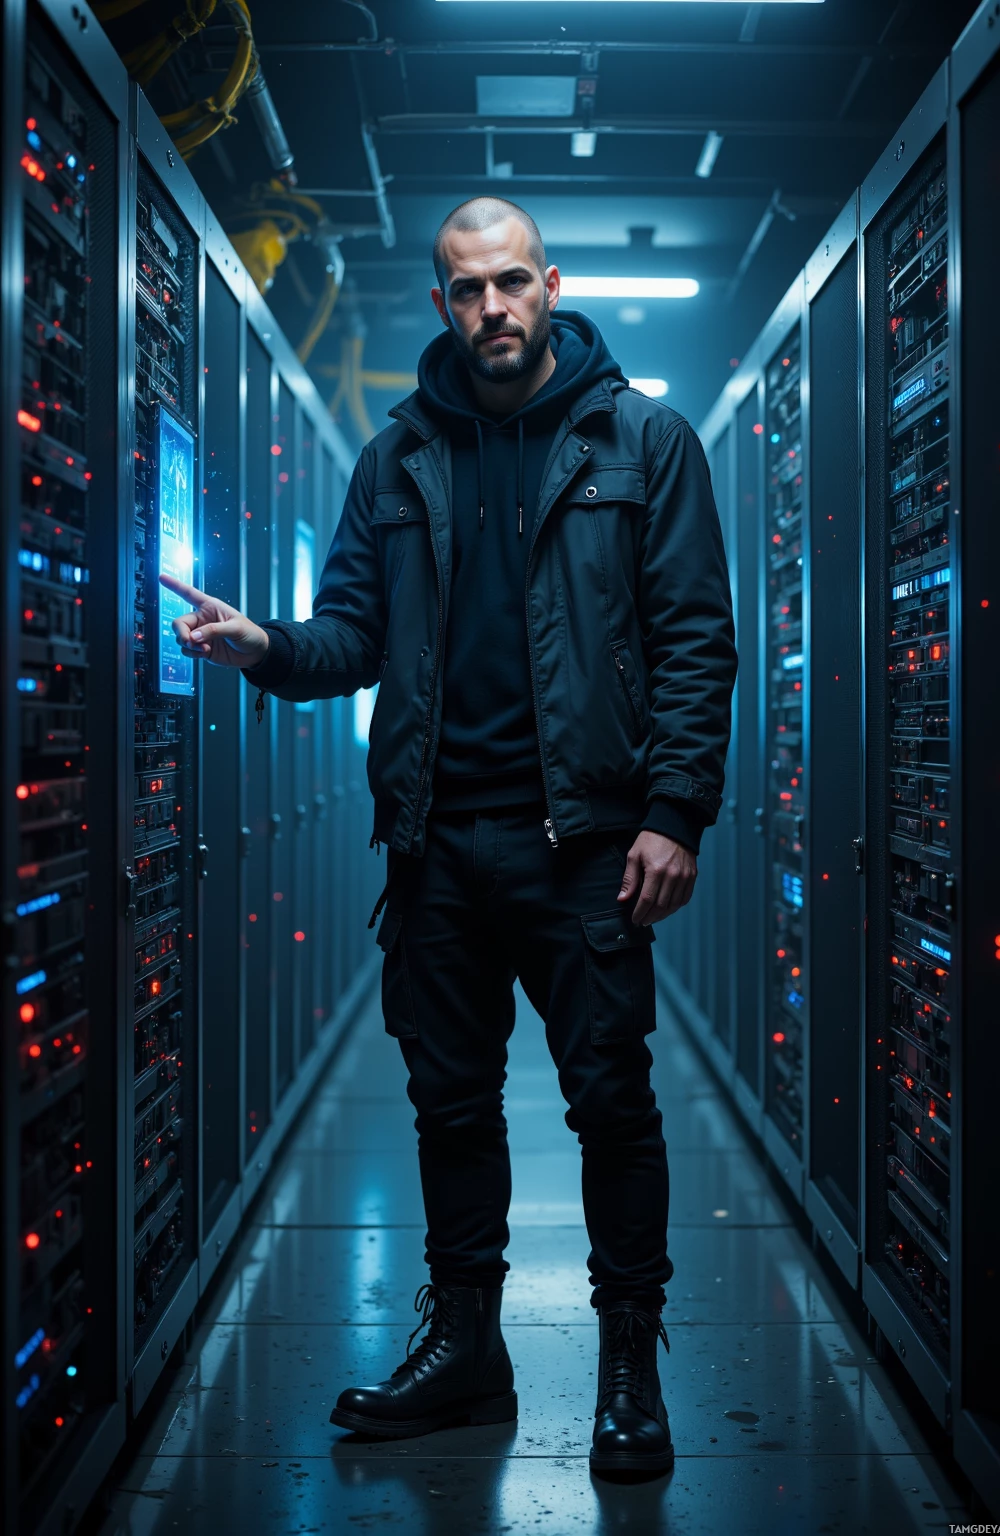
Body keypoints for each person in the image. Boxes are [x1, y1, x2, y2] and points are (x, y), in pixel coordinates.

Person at [161, 197, 737, 1479]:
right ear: (440, 303)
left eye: (512, 283)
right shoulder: (397, 459)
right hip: (433, 843)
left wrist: (674, 811)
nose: (493, 309)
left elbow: (697, 640)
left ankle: (629, 1364)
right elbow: (351, 638)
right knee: (449, 1105)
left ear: (550, 285)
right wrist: (264, 649)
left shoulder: (641, 441)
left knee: (610, 1102)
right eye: (467, 289)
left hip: (584, 841)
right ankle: (468, 1350)